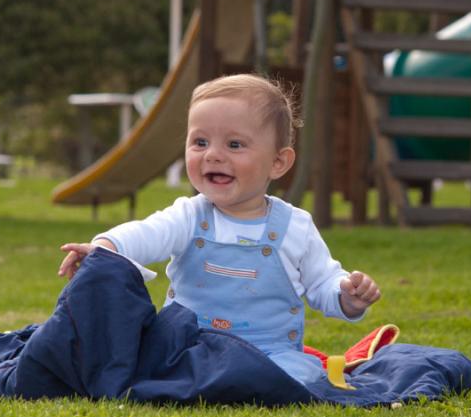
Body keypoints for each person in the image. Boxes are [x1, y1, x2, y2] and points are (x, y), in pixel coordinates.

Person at [59, 74, 380, 386]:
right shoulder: (189, 215)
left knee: (295, 377)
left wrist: (347, 296)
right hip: (189, 347)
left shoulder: (295, 226)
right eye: (200, 142)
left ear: (278, 162)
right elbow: (147, 233)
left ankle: (244, 381)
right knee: (159, 366)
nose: (213, 154)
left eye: (235, 144)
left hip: (269, 352)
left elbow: (321, 281)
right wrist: (105, 246)